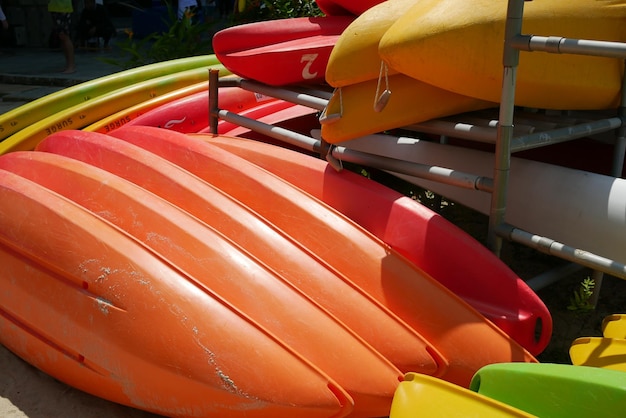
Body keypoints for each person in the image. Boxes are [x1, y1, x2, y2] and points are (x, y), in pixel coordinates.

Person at [48, 0, 75, 73]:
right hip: (56, 7)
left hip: (62, 8)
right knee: (62, 37)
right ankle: (68, 65)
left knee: (65, 36)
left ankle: (71, 66)